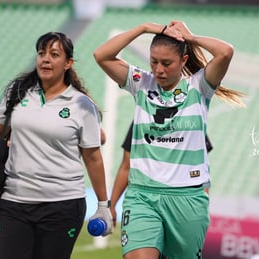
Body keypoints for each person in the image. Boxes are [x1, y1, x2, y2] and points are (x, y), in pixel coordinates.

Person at [94, 21, 243, 259]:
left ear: (183, 61)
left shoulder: (199, 86)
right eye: (154, 61)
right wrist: (144, 28)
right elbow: (101, 55)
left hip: (187, 198)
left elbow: (226, 51)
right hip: (142, 195)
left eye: (166, 63)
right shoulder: (140, 83)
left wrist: (190, 37)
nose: (158, 69)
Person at [0, 32, 113, 259]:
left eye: (54, 54)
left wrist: (102, 204)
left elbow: (93, 157)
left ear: (68, 63)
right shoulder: (17, 93)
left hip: (62, 205)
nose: (45, 59)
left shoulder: (81, 104)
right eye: (41, 54)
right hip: (14, 203)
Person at [109, 121, 213, 227]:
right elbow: (126, 166)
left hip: (184, 201)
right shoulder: (142, 119)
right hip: (146, 199)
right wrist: (111, 206)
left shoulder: (190, 121)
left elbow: (202, 168)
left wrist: (203, 206)